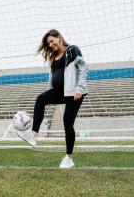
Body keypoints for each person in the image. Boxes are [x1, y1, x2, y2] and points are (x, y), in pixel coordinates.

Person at [17, 29, 88, 169]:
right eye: (48, 43)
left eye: (52, 41)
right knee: (40, 99)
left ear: (59, 37)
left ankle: (69, 158)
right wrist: (49, 95)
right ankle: (33, 135)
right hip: (58, 92)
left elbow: (83, 68)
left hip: (74, 92)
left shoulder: (72, 50)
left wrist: (80, 88)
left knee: (67, 122)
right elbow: (53, 76)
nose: (50, 45)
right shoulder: (54, 56)